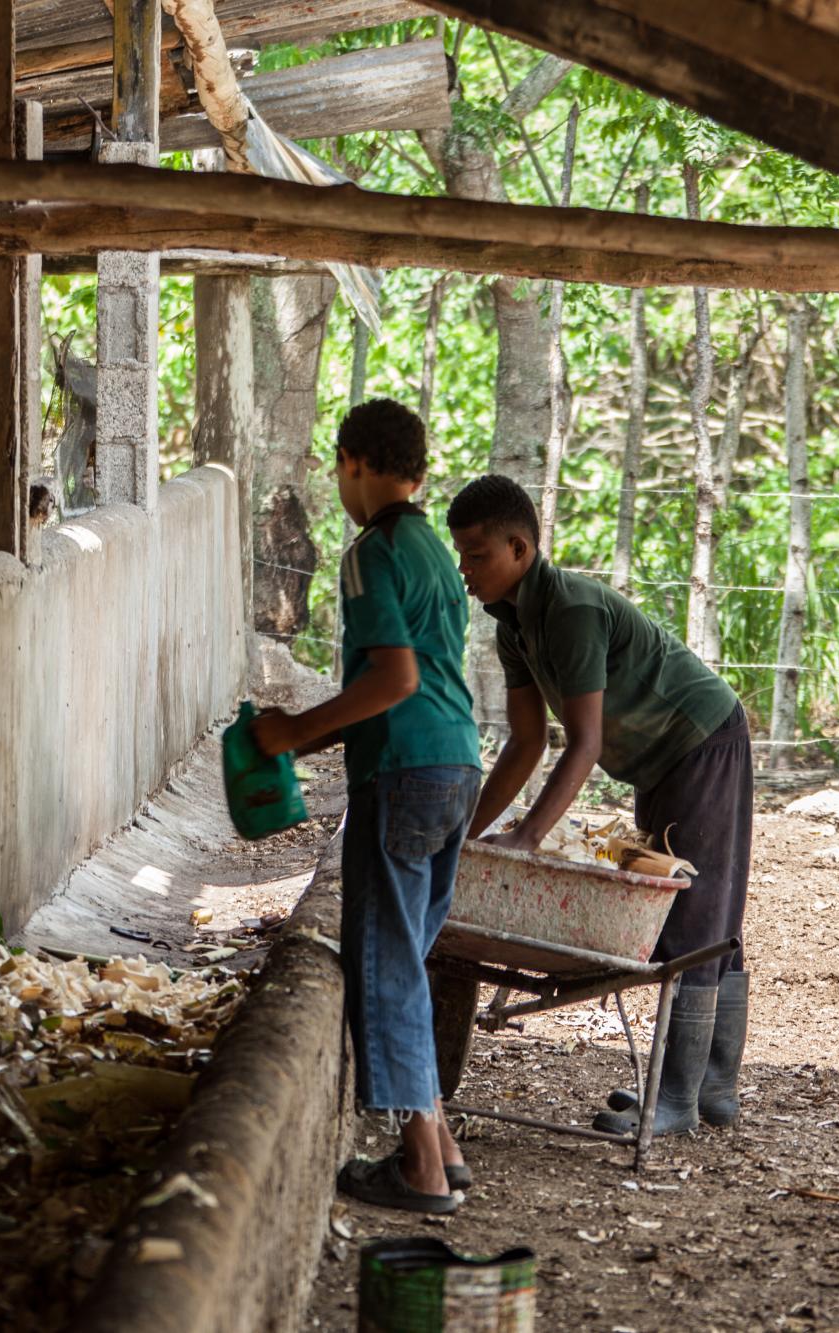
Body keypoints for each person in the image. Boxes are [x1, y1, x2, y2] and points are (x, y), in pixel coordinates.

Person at [445, 474, 754, 1138]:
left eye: (477, 555)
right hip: (660, 758)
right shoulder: (514, 630)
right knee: (688, 901)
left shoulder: (571, 611)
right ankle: (710, 1089)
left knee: (694, 914)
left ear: (520, 549)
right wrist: (470, 834)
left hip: (701, 740)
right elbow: (527, 742)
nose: (464, 570)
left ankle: (677, 1100)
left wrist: (527, 839)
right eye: (461, 556)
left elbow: (580, 745)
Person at [252, 399, 483, 1215]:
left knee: (382, 961)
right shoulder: (434, 548)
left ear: (352, 462)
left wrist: (292, 733)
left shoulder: (372, 551)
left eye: (337, 470)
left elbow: (393, 681)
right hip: (459, 763)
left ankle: (419, 1167)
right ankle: (443, 1147)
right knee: (407, 960)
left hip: (405, 766)